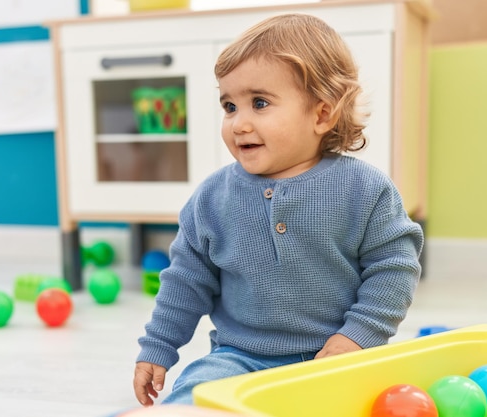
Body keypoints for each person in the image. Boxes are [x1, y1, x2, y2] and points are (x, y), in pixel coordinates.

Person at [132, 13, 424, 407]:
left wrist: (357, 336)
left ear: (322, 114)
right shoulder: (212, 198)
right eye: (230, 106)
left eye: (260, 103)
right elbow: (186, 280)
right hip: (239, 358)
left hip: (335, 358)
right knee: (198, 391)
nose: (239, 123)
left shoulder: (366, 190)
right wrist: (158, 345)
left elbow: (395, 269)